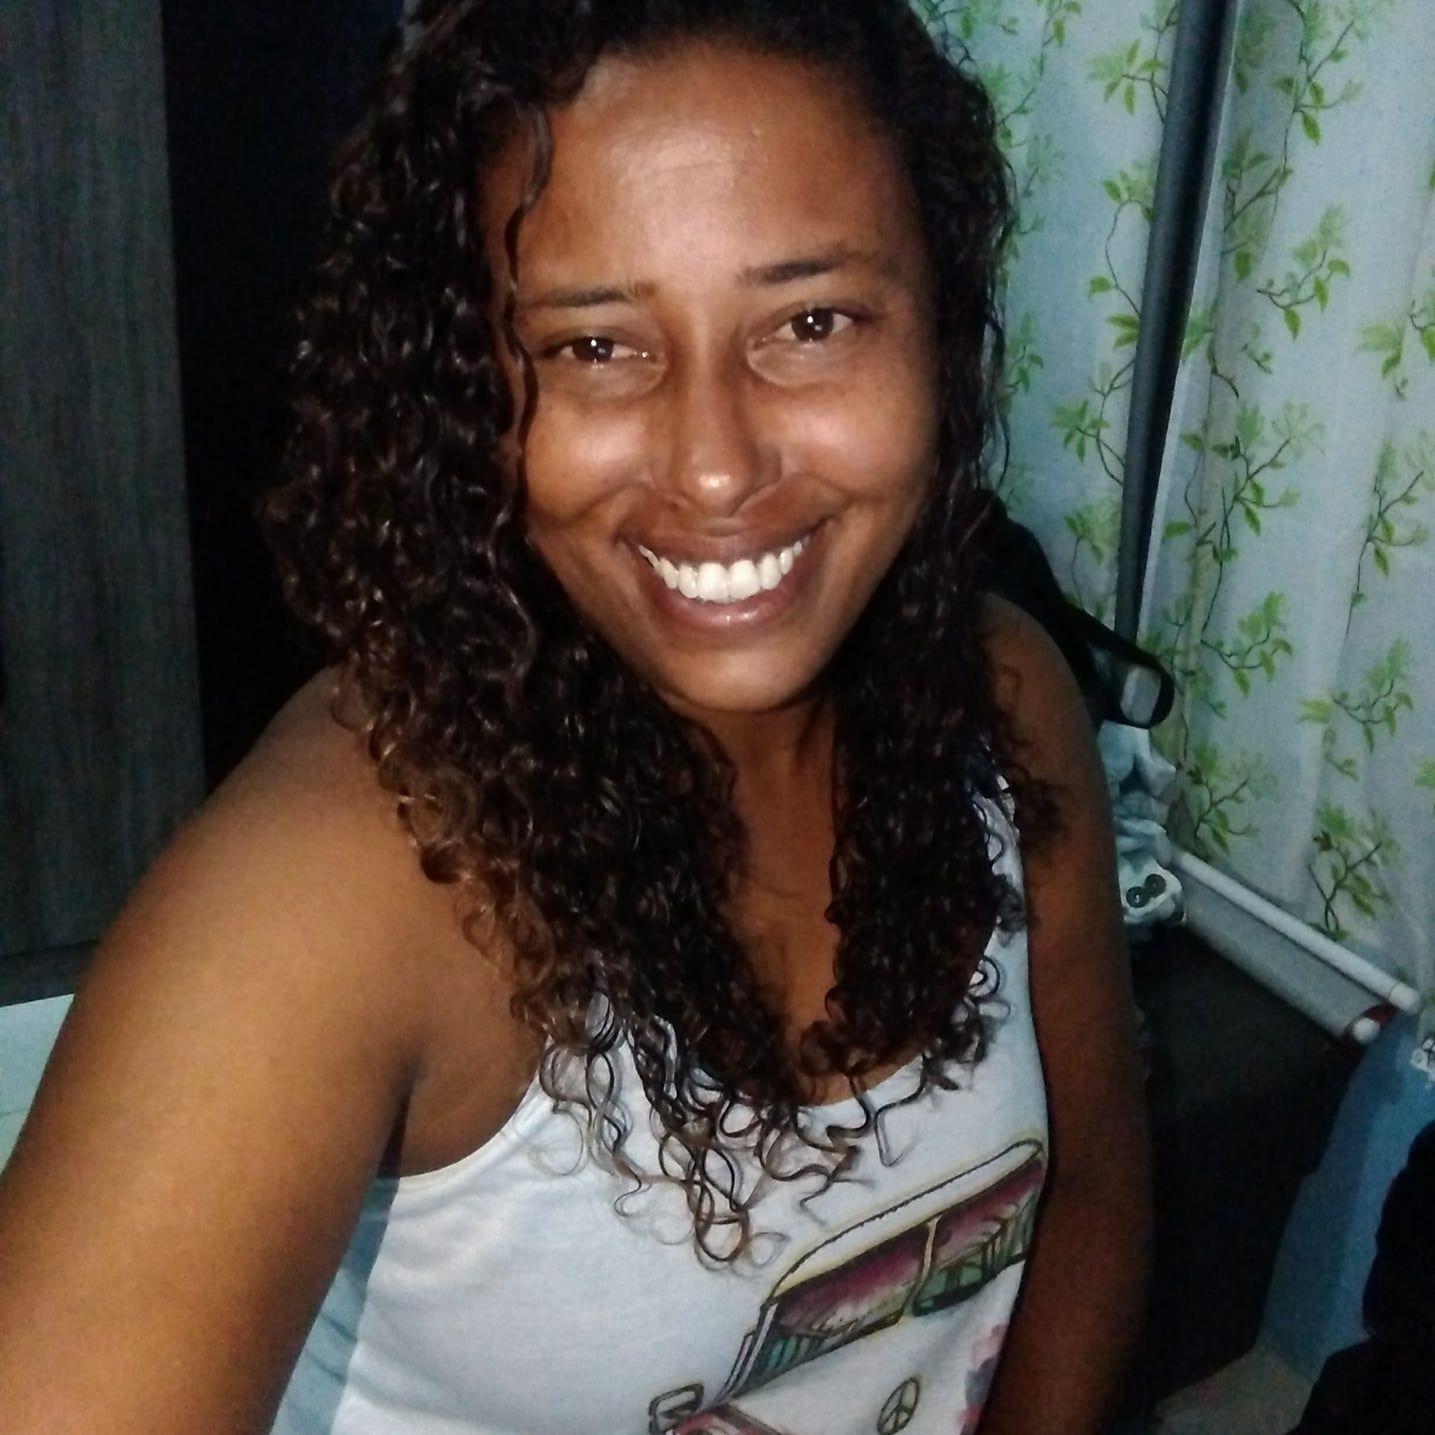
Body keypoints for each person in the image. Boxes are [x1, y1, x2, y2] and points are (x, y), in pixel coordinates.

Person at [0, 2, 1150, 1431]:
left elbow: (1093, 1194)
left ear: (941, 329)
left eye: (811, 322)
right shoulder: (322, 904)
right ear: (468, 386)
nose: (716, 468)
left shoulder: (1002, 699)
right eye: (597, 346)